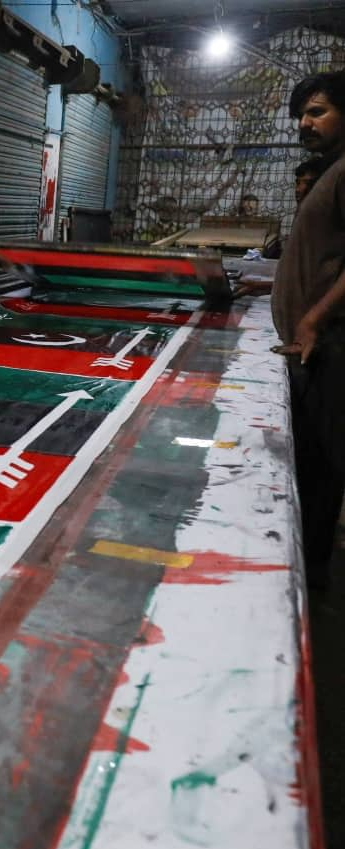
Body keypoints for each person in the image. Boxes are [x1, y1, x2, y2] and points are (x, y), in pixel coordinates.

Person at [271, 70, 345, 590]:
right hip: (313, 344)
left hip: (332, 345)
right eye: (303, 113)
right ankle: (306, 561)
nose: (305, 122)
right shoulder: (329, 172)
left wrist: (314, 318)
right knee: (312, 461)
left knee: (323, 464)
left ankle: (310, 578)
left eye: (317, 111)